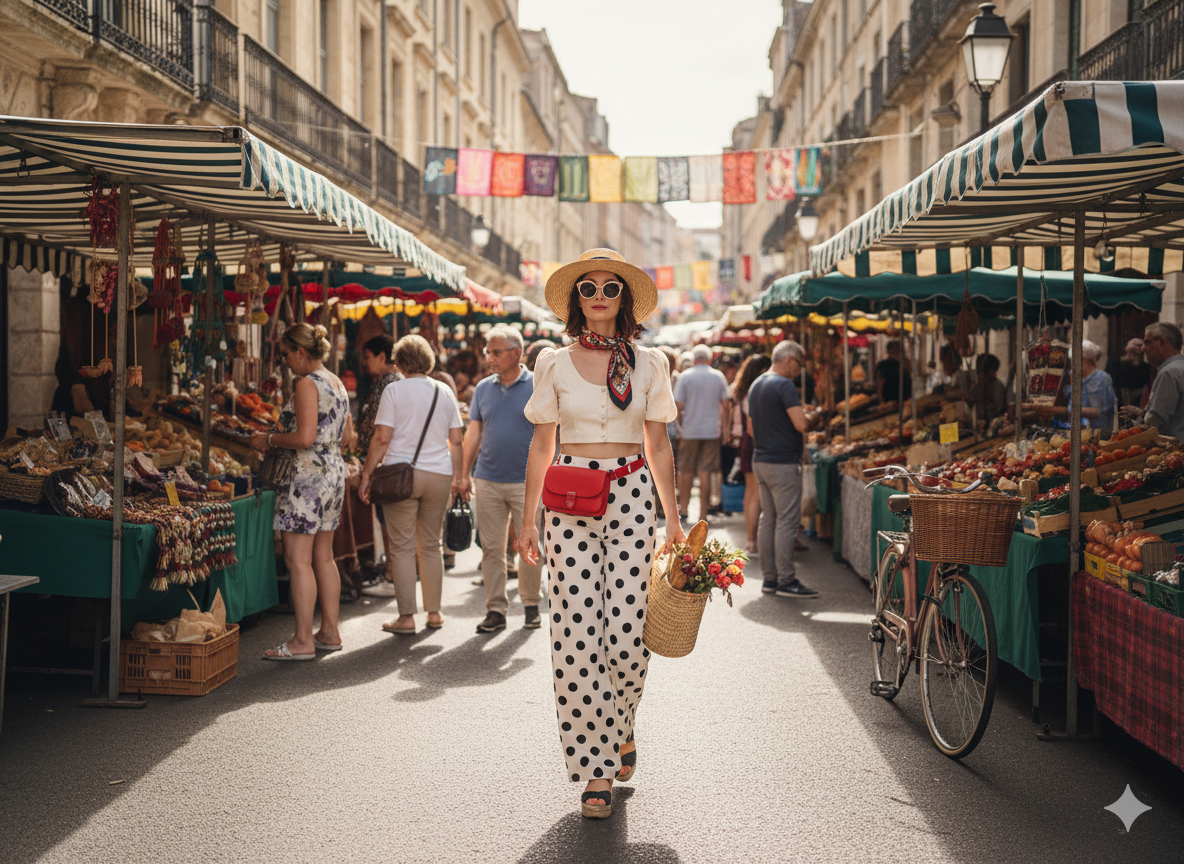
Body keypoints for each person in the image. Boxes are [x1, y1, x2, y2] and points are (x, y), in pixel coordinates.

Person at [518, 248, 683, 820]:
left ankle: (622, 723)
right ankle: (596, 769)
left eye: (610, 288)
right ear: (575, 299)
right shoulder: (553, 362)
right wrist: (528, 519)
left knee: (628, 634)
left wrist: (674, 519)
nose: (597, 296)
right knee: (575, 634)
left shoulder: (651, 363)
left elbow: (658, 444)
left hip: (634, 493)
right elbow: (542, 443)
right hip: (569, 497)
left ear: (624, 298)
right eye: (587, 288)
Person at [252, 323, 354, 659]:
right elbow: (348, 436)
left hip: (306, 476)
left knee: (297, 560)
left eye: (285, 354)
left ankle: (302, 641)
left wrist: (269, 439)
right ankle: (329, 632)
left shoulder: (307, 383)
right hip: (333, 471)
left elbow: (305, 437)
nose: (285, 361)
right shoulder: (335, 382)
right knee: (324, 556)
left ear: (300, 351)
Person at [358, 335, 464, 634]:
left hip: (401, 475)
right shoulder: (444, 390)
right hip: (438, 474)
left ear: (400, 361)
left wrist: (366, 474)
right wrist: (458, 477)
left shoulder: (394, 390)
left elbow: (382, 438)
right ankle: (434, 613)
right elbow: (456, 441)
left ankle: (406, 618)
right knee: (431, 545)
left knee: (402, 547)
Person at [458, 325, 543, 634]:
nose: (489, 358)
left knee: (529, 544)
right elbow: (474, 434)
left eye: (495, 352)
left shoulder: (538, 385)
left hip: (528, 483)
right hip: (488, 479)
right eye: (488, 352)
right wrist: (463, 474)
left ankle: (531, 604)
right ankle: (495, 609)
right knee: (491, 549)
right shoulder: (483, 388)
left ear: (516, 354)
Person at [748, 340, 817, 599]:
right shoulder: (784, 385)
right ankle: (787, 579)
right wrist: (814, 417)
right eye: (799, 364)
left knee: (769, 520)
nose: (799, 370)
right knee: (787, 522)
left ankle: (770, 579)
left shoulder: (756, 384)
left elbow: (751, 428)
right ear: (789, 360)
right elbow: (801, 424)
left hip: (761, 459)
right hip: (782, 462)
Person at [357, 334, 403, 597]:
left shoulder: (390, 384)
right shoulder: (388, 382)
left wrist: (368, 468)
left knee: (388, 521)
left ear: (382, 357)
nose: (364, 362)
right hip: (386, 459)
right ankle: (392, 572)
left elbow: (381, 431)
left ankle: (392, 575)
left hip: (386, 461)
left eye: (367, 357)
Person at [674, 344, 730, 524]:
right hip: (712, 430)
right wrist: (726, 430)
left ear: (694, 359)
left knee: (685, 470)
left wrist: (680, 426)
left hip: (690, 430)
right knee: (705, 471)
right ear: (709, 359)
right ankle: (703, 514)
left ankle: (683, 509)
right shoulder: (718, 376)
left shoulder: (685, 376)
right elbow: (726, 405)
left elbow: (678, 405)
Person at [1026, 340, 1116, 430]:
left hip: (1100, 432)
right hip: (1080, 431)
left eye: (1073, 360)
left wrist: (1067, 410)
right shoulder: (1076, 377)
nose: (1072, 364)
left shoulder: (1102, 379)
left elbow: (1100, 412)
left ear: (1084, 359)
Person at [733, 352, 772, 557]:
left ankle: (751, 541)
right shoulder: (754, 392)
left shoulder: (744, 391)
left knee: (751, 494)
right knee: (755, 494)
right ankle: (752, 541)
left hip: (748, 443)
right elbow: (752, 426)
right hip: (755, 443)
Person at [1126, 322, 1184, 440]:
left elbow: (1157, 421)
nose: (1143, 349)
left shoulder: (1169, 372)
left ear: (1161, 342)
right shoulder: (1178, 368)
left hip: (1173, 447)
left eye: (1147, 342)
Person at [1109, 338, 1151, 409]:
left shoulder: (1147, 368)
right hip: (1121, 401)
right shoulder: (1118, 365)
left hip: (1140, 402)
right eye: (1131, 352)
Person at [972, 353, 1008, 426]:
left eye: (981, 371)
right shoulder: (977, 387)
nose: (978, 374)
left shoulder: (998, 387)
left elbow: (997, 410)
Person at [875, 339, 912, 404]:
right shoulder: (886, 365)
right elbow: (881, 384)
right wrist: (882, 402)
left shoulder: (904, 364)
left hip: (902, 400)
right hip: (892, 401)